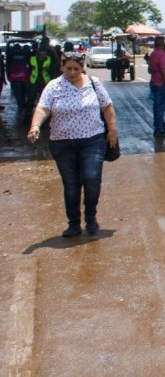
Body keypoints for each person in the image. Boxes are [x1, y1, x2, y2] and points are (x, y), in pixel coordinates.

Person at [26, 51, 118, 237]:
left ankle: (91, 217)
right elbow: (43, 108)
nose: (73, 72)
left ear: (82, 67)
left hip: (92, 140)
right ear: (62, 67)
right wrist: (35, 126)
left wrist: (112, 130)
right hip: (62, 144)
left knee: (92, 178)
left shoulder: (94, 83)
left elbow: (107, 107)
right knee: (71, 184)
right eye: (68, 68)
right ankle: (74, 224)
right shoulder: (54, 86)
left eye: (76, 68)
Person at [148, 36, 165, 136]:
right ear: (162, 44)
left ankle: (158, 127)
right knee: (160, 108)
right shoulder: (163, 55)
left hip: (154, 82)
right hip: (161, 84)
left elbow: (150, 70)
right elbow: (164, 70)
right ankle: (159, 129)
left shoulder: (153, 54)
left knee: (156, 107)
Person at [26, 45, 54, 116]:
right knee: (31, 99)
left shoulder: (49, 59)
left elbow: (53, 69)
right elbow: (27, 69)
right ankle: (27, 115)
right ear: (39, 52)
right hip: (34, 81)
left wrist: (48, 70)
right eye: (43, 52)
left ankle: (45, 116)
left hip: (45, 81)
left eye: (46, 52)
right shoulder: (32, 59)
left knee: (45, 99)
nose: (45, 54)